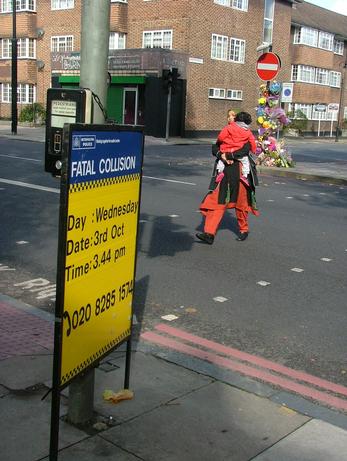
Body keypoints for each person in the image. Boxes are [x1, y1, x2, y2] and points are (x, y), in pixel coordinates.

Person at [196, 111, 259, 245]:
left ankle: (243, 229)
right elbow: (215, 147)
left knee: (241, 203)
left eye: (233, 115)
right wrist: (221, 155)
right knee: (217, 201)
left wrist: (227, 156)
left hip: (239, 172)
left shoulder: (234, 132)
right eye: (229, 115)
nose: (230, 117)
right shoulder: (231, 131)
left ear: (236, 119)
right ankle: (209, 233)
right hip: (225, 171)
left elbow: (245, 150)